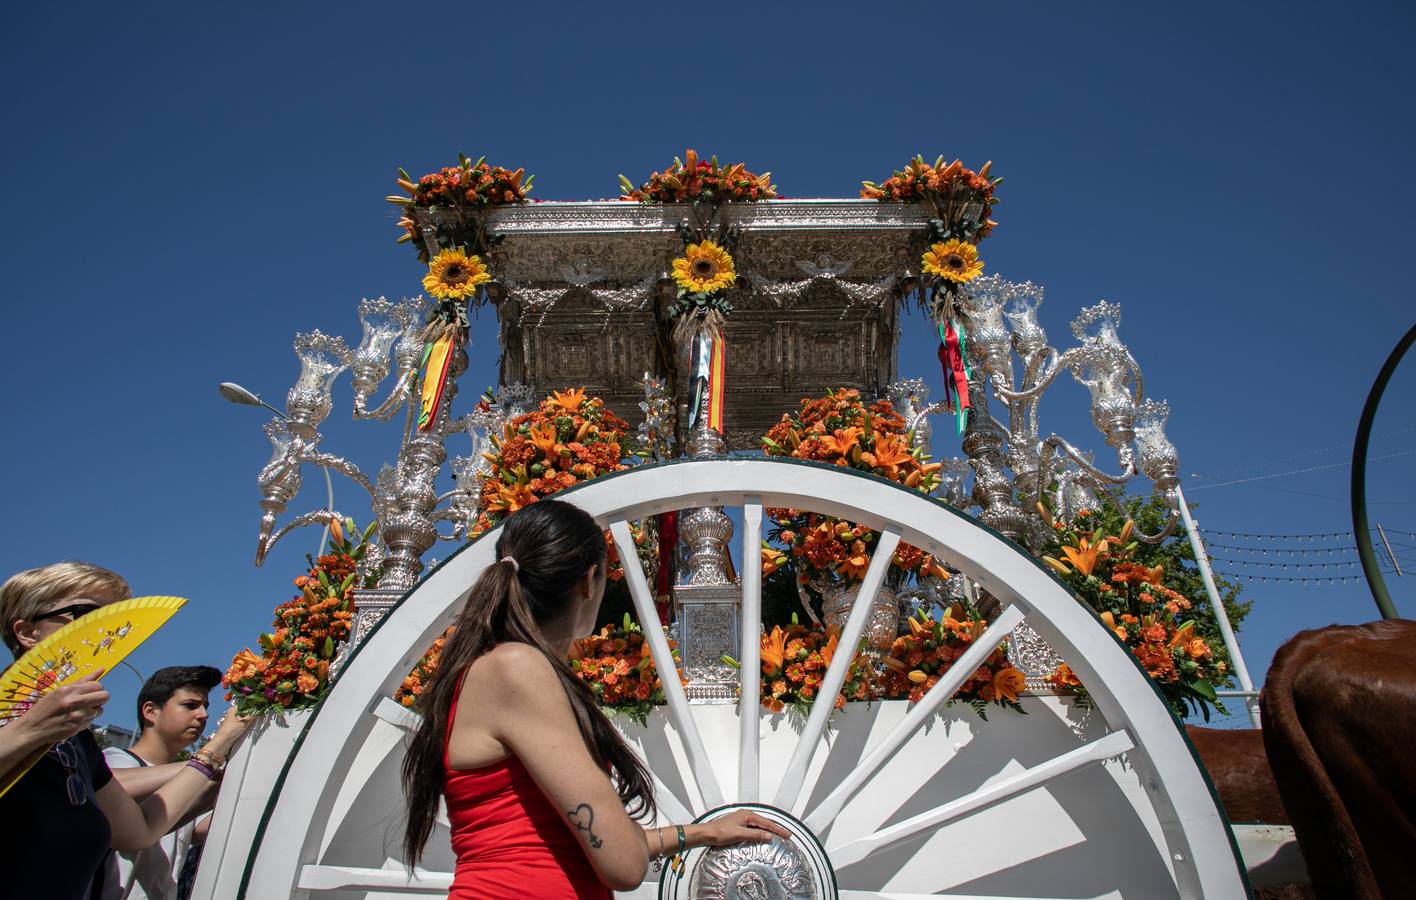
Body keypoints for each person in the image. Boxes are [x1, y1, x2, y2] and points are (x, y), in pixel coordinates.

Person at [401, 500, 790, 899]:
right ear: (589, 580)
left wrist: (702, 832)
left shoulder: (497, 665)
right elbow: (623, 864)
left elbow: (590, 840)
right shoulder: (517, 667)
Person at [0, 561, 252, 900]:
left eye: (114, 621)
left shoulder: (77, 744)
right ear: (28, 632)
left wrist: (218, 751)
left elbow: (142, 829)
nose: (105, 633)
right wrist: (29, 730)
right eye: (87, 616)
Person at [101, 665, 229, 900]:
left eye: (205, 707)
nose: (203, 715)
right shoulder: (117, 760)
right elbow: (113, 787)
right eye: (190, 705)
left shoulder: (188, 778)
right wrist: (208, 759)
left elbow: (205, 828)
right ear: (151, 711)